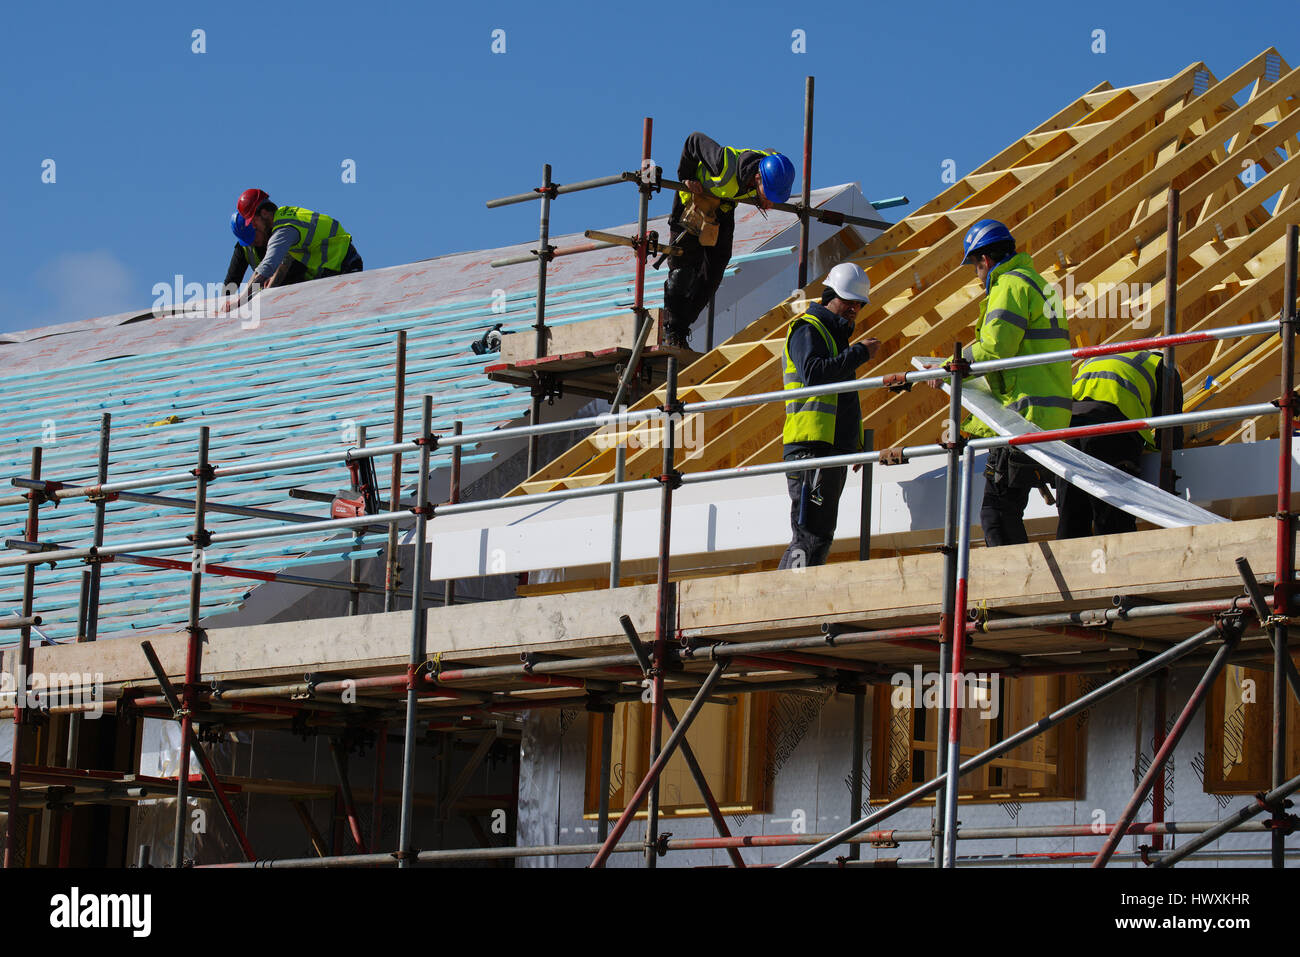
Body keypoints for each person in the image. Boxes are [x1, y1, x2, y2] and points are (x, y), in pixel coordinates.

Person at [959, 219, 1072, 546]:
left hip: (1022, 418)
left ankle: (1016, 590)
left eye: (975, 267)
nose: (978, 277)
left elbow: (997, 348)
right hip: (1049, 416)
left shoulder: (1008, 285)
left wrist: (956, 364)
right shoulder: (1039, 283)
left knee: (996, 511)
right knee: (1006, 508)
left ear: (985, 260)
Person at [778, 263, 881, 569]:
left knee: (819, 534)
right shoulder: (808, 328)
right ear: (830, 295)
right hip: (811, 447)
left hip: (829, 448)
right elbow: (815, 374)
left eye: (859, 304)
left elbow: (844, 399)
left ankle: (794, 601)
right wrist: (859, 353)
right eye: (849, 302)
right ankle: (789, 600)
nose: (855, 309)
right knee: (810, 533)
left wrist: (854, 447)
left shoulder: (835, 336)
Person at [663, 134, 795, 348]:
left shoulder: (770, 166)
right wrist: (686, 178)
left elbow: (774, 155)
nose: (769, 204)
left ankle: (682, 328)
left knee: (713, 274)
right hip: (691, 208)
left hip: (720, 210)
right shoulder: (723, 164)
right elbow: (693, 140)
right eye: (768, 196)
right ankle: (672, 330)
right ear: (758, 178)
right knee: (683, 272)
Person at [1057, 350, 1184, 538]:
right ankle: (1113, 566)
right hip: (1111, 432)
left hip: (1069, 432)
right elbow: (1170, 431)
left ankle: (1070, 565)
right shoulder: (1164, 366)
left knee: (1071, 517)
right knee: (1113, 520)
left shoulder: (1094, 358)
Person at [228, 188, 363, 306]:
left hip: (342, 265)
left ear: (264, 213)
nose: (253, 226)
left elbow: (266, 267)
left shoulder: (283, 231)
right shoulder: (284, 215)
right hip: (339, 263)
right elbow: (282, 262)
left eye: (252, 221)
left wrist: (241, 300)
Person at [223, 211, 305, 290]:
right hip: (275, 298)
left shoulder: (280, 235)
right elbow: (231, 283)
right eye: (247, 240)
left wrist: (267, 291)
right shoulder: (244, 247)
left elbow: (282, 267)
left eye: (253, 236)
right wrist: (223, 302)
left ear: (257, 225)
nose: (252, 242)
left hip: (305, 286)